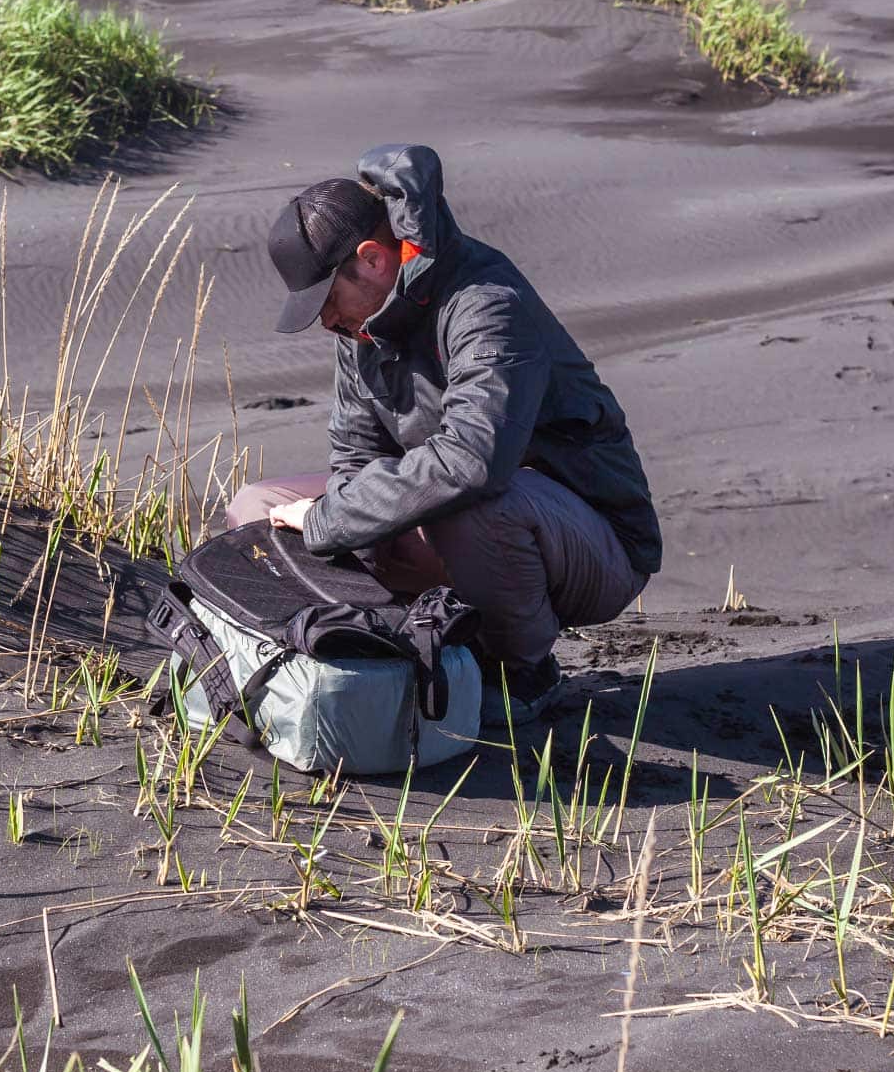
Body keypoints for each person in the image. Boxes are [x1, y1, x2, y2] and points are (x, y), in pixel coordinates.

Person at [227, 143, 661, 724]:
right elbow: (356, 454)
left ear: (374, 259)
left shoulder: (485, 304)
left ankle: (522, 670)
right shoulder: (363, 328)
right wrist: (353, 526)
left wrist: (335, 519)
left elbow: (473, 462)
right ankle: (381, 641)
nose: (327, 321)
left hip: (594, 549)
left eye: (328, 299)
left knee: (469, 503)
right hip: (453, 522)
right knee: (259, 507)